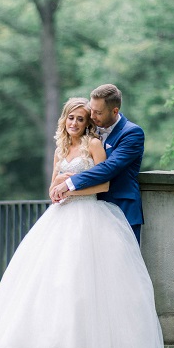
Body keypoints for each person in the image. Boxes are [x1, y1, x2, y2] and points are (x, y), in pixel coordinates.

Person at [0, 97, 164, 348]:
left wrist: (69, 189)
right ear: (64, 119)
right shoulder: (60, 149)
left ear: (87, 124)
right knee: (57, 283)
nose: (75, 123)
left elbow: (104, 182)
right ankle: (66, 345)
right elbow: (52, 186)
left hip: (89, 218)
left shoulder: (93, 145)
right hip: (60, 219)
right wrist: (56, 191)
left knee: (84, 284)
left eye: (81, 119)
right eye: (71, 118)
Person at [50, 84, 144, 244]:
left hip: (121, 207)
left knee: (121, 265)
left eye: (97, 112)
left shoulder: (132, 133)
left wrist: (69, 184)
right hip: (91, 212)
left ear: (114, 111)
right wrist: (58, 183)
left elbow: (109, 167)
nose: (91, 116)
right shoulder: (92, 131)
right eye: (91, 110)